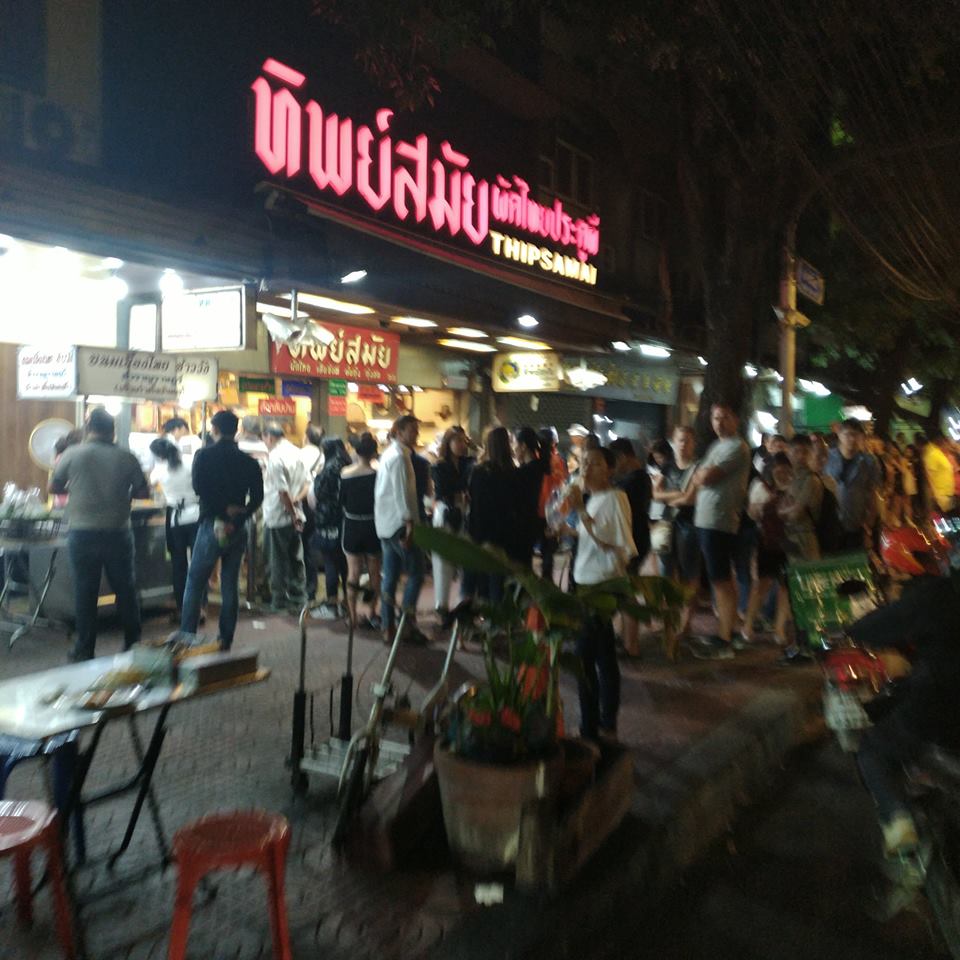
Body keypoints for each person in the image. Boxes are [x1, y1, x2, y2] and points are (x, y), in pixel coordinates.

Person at [849, 569, 960, 857]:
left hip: (941, 702)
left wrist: (851, 630)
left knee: (873, 750)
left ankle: (898, 820)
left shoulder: (938, 594)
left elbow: (875, 627)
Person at [49, 408, 149, 661]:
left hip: (82, 532)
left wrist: (79, 489)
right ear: (112, 430)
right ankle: (133, 642)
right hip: (118, 532)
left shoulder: (72, 454)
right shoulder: (127, 457)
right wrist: (120, 496)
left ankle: (85, 648)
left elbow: (54, 487)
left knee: (85, 591)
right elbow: (143, 493)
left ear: (88, 428)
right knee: (125, 589)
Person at [567, 447, 637, 741]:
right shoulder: (594, 499)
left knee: (585, 658)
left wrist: (580, 510)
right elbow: (593, 535)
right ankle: (605, 723)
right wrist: (568, 530)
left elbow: (610, 541)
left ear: (610, 469)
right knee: (603, 654)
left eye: (595, 463)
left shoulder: (616, 497)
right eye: (584, 463)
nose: (586, 468)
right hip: (586, 583)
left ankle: (592, 727)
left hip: (601, 586)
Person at [180, 410, 263, 649]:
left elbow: (199, 488)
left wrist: (222, 510)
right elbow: (258, 496)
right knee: (230, 584)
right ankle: (226, 638)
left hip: (211, 524)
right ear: (236, 430)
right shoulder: (249, 461)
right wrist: (239, 515)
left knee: (195, 581)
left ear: (214, 429)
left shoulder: (204, 456)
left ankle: (187, 636)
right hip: (237, 528)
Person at [691, 402, 751, 660]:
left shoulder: (737, 447)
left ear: (736, 419)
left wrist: (701, 475)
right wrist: (701, 474)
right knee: (721, 579)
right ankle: (729, 631)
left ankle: (724, 638)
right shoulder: (717, 446)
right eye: (716, 418)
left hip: (719, 520)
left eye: (725, 417)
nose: (719, 422)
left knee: (721, 580)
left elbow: (704, 477)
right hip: (708, 519)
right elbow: (699, 474)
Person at [374, 414, 424, 642]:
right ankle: (406, 624)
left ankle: (388, 627)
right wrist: (409, 524)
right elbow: (401, 494)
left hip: (386, 525)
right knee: (416, 574)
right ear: (400, 432)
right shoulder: (399, 458)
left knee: (390, 577)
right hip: (399, 525)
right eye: (412, 430)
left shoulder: (391, 454)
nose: (416, 434)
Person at [651, 425, 700, 640]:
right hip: (668, 523)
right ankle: (670, 619)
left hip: (689, 525)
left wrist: (670, 496)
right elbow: (655, 494)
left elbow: (691, 498)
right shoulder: (667, 466)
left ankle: (687, 621)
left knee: (690, 574)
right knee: (666, 572)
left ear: (694, 443)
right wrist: (678, 494)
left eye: (687, 440)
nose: (683, 444)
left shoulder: (697, 468)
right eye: (680, 440)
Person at [742, 454, 793, 648]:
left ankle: (779, 628)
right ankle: (748, 625)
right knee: (762, 584)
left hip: (789, 542)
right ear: (771, 470)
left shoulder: (793, 486)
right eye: (778, 469)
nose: (782, 473)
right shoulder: (760, 486)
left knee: (785, 586)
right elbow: (751, 513)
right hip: (768, 542)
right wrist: (765, 506)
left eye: (786, 469)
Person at [464, 425, 518, 603]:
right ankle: (498, 614)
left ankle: (483, 612)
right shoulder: (512, 472)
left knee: (483, 581)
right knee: (499, 581)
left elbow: (475, 505)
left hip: (482, 532)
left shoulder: (479, 471)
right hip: (505, 534)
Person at [609, 437, 652, 658]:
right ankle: (625, 637)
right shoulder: (637, 478)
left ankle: (631, 645)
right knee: (625, 591)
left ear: (622, 457)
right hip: (636, 539)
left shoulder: (635, 480)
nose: (612, 468)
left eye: (613, 462)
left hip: (633, 541)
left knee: (627, 593)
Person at [149, 436, 200, 619]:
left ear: (157, 455)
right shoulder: (190, 461)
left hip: (175, 520)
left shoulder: (159, 469)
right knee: (198, 563)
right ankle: (200, 607)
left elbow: (150, 485)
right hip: (196, 514)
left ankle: (182, 609)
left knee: (179, 566)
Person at [262, 421, 309, 613]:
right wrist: (296, 506)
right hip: (296, 514)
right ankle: (299, 597)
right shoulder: (298, 452)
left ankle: (279, 601)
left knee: (277, 560)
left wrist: (291, 512)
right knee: (296, 558)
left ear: (269, 437)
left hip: (277, 515)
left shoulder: (275, 457)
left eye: (265, 439)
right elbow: (307, 484)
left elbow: (282, 492)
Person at [340, 432, 382, 630]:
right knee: (374, 572)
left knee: (353, 572)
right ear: (373, 453)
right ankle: (372, 612)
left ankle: (352, 615)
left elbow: (342, 501)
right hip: (372, 525)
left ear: (356, 452)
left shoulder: (345, 474)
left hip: (352, 525)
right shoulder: (377, 475)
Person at [430, 426, 471, 616]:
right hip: (445, 513)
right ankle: (442, 606)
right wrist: (461, 490)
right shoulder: (439, 465)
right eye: (458, 440)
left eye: (464, 441)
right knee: (442, 563)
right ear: (448, 443)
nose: (462, 445)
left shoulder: (468, 463)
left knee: (467, 560)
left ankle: (464, 603)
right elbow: (442, 490)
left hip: (463, 513)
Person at [825, 419, 882, 552]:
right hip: (830, 523)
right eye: (848, 434)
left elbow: (873, 495)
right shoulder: (827, 457)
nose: (852, 439)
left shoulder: (869, 462)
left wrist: (868, 527)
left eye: (856, 435)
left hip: (857, 523)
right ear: (839, 434)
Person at [311, 437, 350, 619]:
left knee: (330, 562)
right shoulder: (348, 465)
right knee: (346, 564)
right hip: (347, 520)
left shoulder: (328, 469)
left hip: (329, 521)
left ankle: (332, 604)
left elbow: (318, 493)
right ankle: (347, 603)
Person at [513, 426, 548, 567]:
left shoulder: (525, 472)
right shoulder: (540, 467)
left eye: (515, 444)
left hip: (523, 525)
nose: (514, 449)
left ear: (523, 446)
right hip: (535, 521)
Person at [537, 427, 568, 583]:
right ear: (553, 443)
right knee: (549, 550)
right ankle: (547, 580)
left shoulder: (534, 460)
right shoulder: (558, 461)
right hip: (552, 513)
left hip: (535, 509)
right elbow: (562, 485)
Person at [299, 424, 325, 601]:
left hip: (300, 502)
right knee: (311, 548)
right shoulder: (323, 456)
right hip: (317, 505)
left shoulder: (300, 454)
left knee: (298, 546)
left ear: (306, 437)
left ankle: (299, 585)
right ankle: (311, 588)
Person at [922, 430, 955, 514]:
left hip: (947, 492)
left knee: (949, 517)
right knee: (943, 517)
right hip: (941, 494)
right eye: (946, 441)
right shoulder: (933, 454)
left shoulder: (939, 453)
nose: (949, 444)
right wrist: (934, 494)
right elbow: (928, 475)